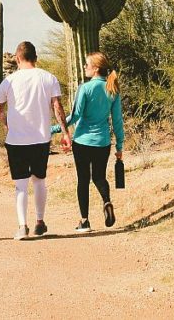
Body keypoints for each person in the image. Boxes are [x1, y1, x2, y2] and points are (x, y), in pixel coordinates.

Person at [0, 41, 70, 240]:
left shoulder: (9, 81)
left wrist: (7, 124)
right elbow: (57, 107)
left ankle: (22, 226)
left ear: (18, 58)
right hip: (40, 138)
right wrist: (65, 133)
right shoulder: (48, 78)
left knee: (20, 185)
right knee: (39, 181)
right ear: (35, 58)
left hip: (16, 140)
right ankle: (40, 221)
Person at [53, 51, 124, 232]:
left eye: (87, 65)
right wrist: (120, 146)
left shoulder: (85, 88)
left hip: (83, 141)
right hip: (103, 142)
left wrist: (53, 129)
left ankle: (84, 221)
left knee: (83, 180)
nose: (85, 67)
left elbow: (75, 116)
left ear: (96, 69)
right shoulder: (112, 89)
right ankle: (106, 201)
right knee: (99, 177)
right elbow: (117, 121)